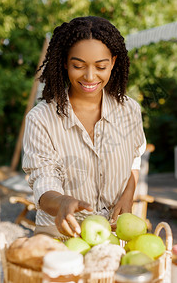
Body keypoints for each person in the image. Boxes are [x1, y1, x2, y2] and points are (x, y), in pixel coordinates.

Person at [22, 16, 146, 238]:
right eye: (78, 66)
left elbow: (135, 156)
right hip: (59, 237)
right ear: (65, 62)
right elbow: (43, 178)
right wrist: (61, 202)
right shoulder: (40, 119)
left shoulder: (130, 111)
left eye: (101, 66)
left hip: (114, 236)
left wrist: (128, 194)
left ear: (114, 62)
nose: (90, 76)